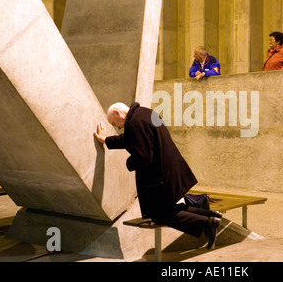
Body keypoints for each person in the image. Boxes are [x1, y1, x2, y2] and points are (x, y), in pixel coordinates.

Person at [94, 102, 222, 249]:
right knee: (170, 209)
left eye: (114, 123)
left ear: (118, 113)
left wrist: (129, 163)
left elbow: (143, 157)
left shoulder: (136, 123)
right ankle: (212, 216)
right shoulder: (143, 114)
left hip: (161, 177)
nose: (118, 127)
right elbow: (133, 140)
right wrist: (106, 140)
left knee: (160, 215)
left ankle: (208, 223)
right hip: (171, 170)